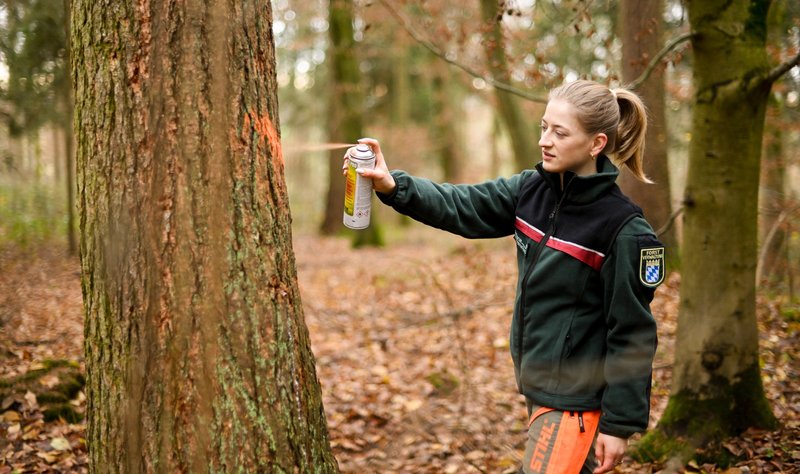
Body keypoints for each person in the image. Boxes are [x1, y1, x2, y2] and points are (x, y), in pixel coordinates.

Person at [344, 79, 664, 474]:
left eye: (560, 133)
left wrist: (619, 424)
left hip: (576, 401)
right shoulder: (530, 190)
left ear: (596, 144)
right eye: (544, 126)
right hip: (540, 389)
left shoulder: (623, 229)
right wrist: (394, 185)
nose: (545, 140)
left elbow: (632, 333)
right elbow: (460, 205)